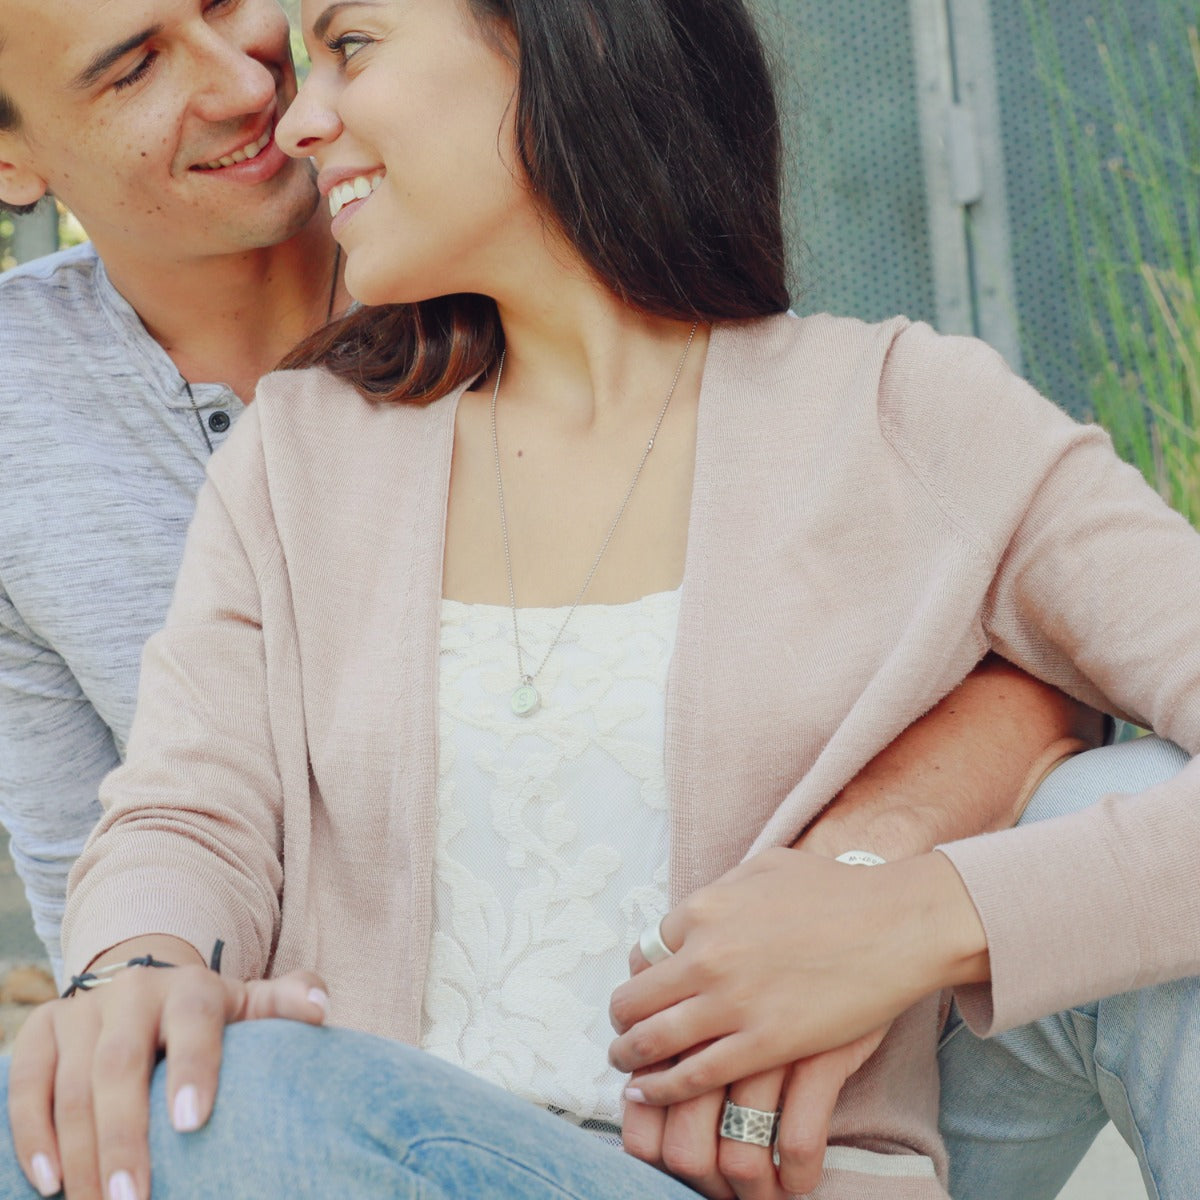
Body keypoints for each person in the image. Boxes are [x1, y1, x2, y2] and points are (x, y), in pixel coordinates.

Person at [1, 3, 1196, 1200]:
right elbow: (187, 810)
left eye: (351, 47)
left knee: (1128, 807)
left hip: (770, 1178)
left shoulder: (910, 415)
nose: (299, 119)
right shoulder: (299, 453)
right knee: (145, 1104)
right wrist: (141, 972)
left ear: (561, 39)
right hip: (387, 1154)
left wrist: (924, 918)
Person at [0, 0, 354, 980]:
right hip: (279, 1081)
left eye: (223, 4)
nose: (250, 84)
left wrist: (836, 886)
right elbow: (89, 875)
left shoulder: (516, 267)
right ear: (8, 164)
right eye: (132, 70)